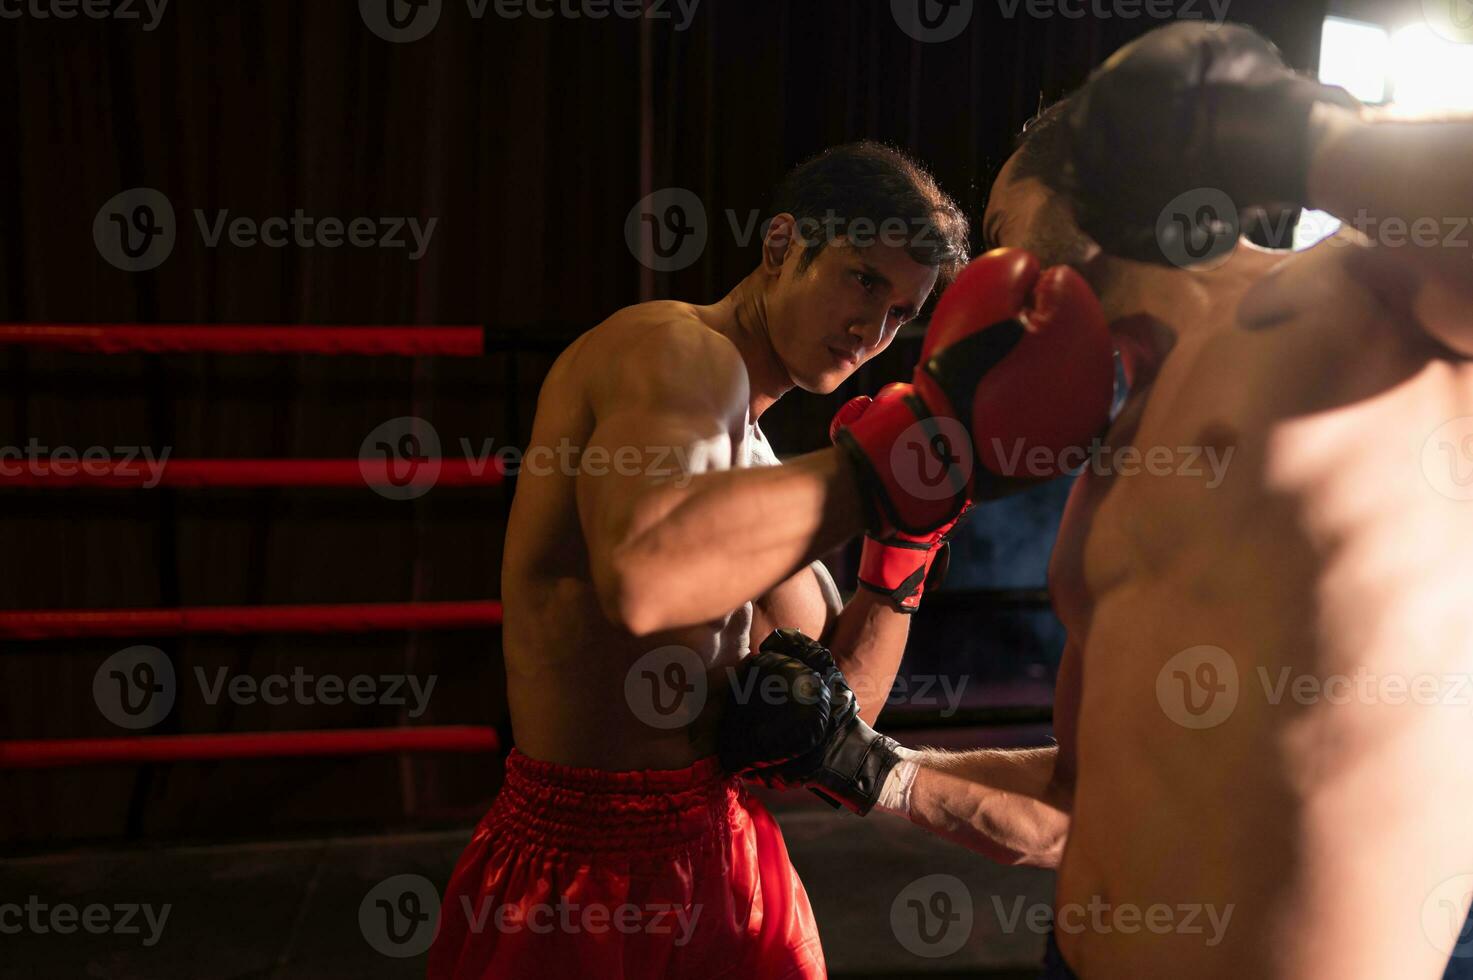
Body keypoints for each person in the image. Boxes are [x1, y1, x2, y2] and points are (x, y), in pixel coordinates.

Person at [720, 21, 1473, 980]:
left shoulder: (1354, 297)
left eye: (998, 230)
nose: (986, 273)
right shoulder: (1109, 461)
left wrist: (1293, 132)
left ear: (1087, 170)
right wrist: (863, 764)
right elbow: (1079, 791)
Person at [426, 140, 1116, 979]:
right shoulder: (669, 347)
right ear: (781, 244)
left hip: (730, 851)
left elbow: (831, 720)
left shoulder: (761, 472)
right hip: (581, 865)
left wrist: (906, 542)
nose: (873, 330)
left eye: (902, 312)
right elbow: (644, 583)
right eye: (863, 280)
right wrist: (880, 471)